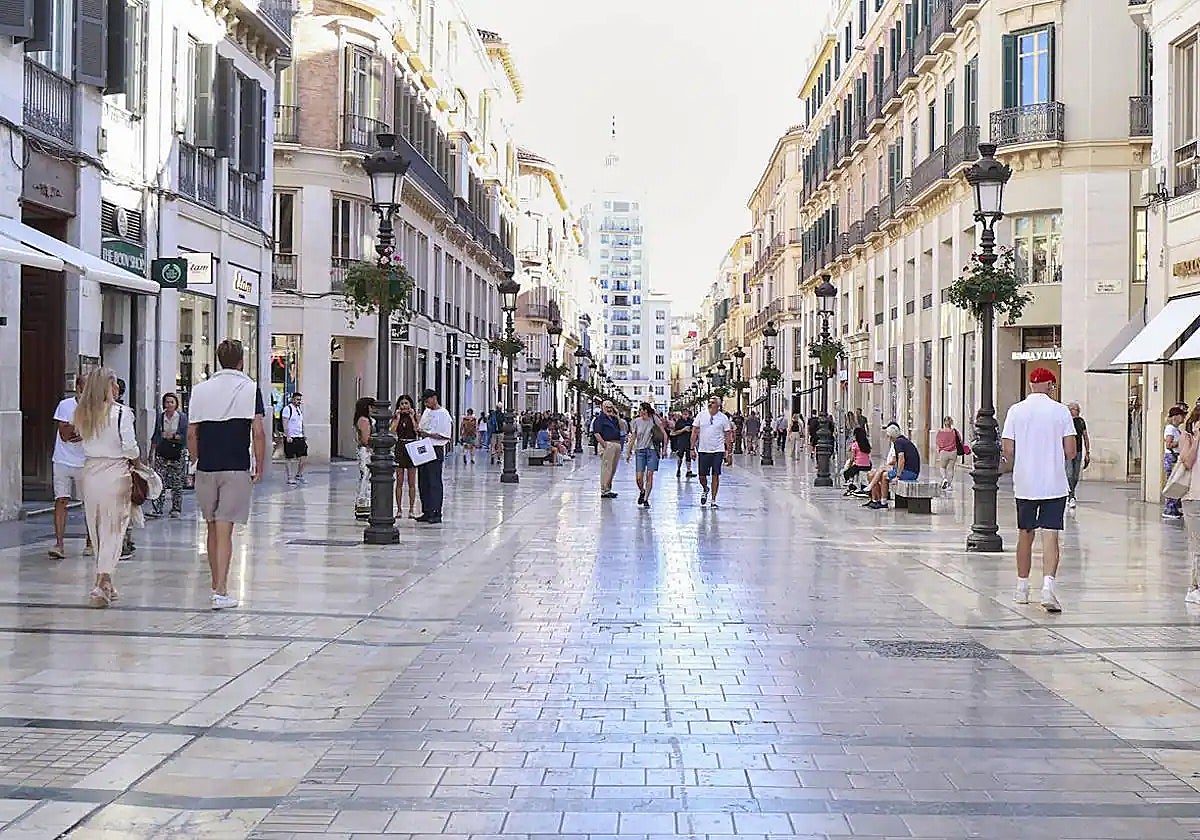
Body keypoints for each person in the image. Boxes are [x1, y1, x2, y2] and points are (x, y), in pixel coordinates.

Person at [187, 340, 266, 610]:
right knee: (225, 528)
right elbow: (257, 431)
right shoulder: (250, 389)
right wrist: (260, 464)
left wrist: (195, 461)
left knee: (210, 525)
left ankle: (215, 583)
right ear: (241, 360)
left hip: (206, 466)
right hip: (235, 466)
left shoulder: (200, 390)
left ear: (219, 359)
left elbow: (191, 433)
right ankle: (221, 588)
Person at [1001, 367, 1076, 612]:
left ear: (1031, 385)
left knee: (1025, 533)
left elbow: (1008, 448)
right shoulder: (1061, 411)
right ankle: (1047, 588)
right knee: (1051, 535)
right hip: (1053, 483)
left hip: (1025, 483)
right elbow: (1071, 451)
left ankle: (1022, 588)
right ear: (1051, 385)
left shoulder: (1015, 410)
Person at [75, 369, 140, 607]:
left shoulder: (83, 413)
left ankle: (105, 581)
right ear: (109, 386)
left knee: (96, 527)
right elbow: (131, 447)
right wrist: (138, 462)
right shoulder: (121, 413)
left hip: (91, 472)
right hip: (116, 472)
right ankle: (101, 584)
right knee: (114, 529)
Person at [50, 375, 91, 559]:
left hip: (84, 461)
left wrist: (78, 430)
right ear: (78, 388)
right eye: (83, 388)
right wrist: (81, 430)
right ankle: (59, 544)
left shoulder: (95, 408)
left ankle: (90, 542)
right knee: (61, 500)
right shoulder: (65, 405)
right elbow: (66, 433)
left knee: (88, 503)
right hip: (62, 459)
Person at [416, 388, 452, 524]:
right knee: (423, 481)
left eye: (427, 400)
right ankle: (427, 510)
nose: (426, 404)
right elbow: (422, 427)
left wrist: (428, 434)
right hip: (424, 447)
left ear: (434, 398)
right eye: (424, 401)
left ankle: (436, 511)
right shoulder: (427, 412)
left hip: (435, 448)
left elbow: (445, 435)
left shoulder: (443, 414)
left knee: (434, 481)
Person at [149, 392, 188, 518]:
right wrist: (151, 452)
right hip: (162, 451)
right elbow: (155, 435)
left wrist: (173, 436)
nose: (169, 404)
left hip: (177, 451)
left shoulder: (182, 418)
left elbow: (185, 436)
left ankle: (176, 508)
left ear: (176, 404)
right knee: (160, 480)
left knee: (177, 482)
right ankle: (158, 508)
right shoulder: (161, 417)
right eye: (167, 402)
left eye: (172, 402)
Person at [865, 423, 920, 510]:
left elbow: (901, 459)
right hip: (911, 471)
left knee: (884, 475)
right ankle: (880, 499)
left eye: (888, 436)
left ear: (891, 436)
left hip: (909, 473)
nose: (888, 439)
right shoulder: (903, 440)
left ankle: (882, 501)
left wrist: (897, 476)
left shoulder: (898, 442)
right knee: (883, 472)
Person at [691, 396, 734, 508]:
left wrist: (729, 453)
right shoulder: (701, 415)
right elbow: (694, 431)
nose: (710, 404)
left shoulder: (723, 418)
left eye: (713, 402)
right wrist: (692, 448)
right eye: (709, 402)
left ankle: (713, 500)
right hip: (703, 449)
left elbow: (728, 435)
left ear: (718, 406)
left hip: (718, 450)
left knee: (716, 474)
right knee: (702, 476)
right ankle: (705, 488)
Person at [1176, 403, 1200, 604]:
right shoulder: (1187, 437)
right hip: (1193, 498)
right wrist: (1197, 438)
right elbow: (1187, 461)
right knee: (1198, 544)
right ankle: (1194, 588)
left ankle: (1194, 586)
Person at [627, 403, 665, 507]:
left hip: (652, 451)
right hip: (640, 451)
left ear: (648, 410)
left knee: (649, 475)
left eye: (643, 409)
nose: (642, 412)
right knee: (639, 478)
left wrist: (664, 449)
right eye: (640, 410)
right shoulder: (636, 422)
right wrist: (628, 451)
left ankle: (646, 499)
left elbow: (664, 433)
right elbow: (633, 437)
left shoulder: (654, 419)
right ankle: (642, 491)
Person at [390, 395, 420, 519]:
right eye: (401, 404)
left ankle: (412, 509)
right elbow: (392, 430)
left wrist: (413, 417)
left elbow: (417, 430)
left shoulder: (415, 416)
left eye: (406, 403)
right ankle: (399, 509)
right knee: (399, 481)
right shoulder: (397, 417)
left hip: (412, 446)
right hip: (400, 446)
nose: (404, 406)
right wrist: (397, 417)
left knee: (412, 481)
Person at [593, 400, 623, 499]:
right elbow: (596, 433)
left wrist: (617, 415)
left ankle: (608, 489)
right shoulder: (600, 419)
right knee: (607, 468)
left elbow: (622, 428)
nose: (609, 409)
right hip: (608, 443)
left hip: (616, 443)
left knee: (613, 469)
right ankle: (604, 490)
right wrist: (604, 445)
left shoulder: (614, 419)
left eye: (611, 407)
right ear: (603, 407)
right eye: (607, 407)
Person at [1065, 401, 1090, 509]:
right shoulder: (1066, 421)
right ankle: (1071, 496)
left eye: (1075, 409)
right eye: (1072, 409)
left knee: (1075, 475)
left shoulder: (1080, 422)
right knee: (1069, 473)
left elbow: (1085, 436)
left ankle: (1070, 493)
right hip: (1068, 451)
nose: (1074, 411)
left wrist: (1087, 452)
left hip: (1078, 451)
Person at [280, 392, 308, 485]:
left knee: (304, 456)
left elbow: (301, 423)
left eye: (300, 400)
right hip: (291, 437)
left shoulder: (299, 410)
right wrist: (287, 435)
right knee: (289, 458)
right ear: (293, 399)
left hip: (299, 436)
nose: (299, 401)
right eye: (297, 399)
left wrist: (304, 433)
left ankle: (299, 474)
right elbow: (285, 422)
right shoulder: (287, 409)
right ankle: (289, 477)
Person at [353, 397, 374, 520]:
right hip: (366, 452)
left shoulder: (362, 419)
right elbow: (366, 439)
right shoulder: (364, 420)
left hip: (364, 451)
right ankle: (363, 504)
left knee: (365, 477)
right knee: (366, 477)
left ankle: (363, 504)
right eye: (371, 406)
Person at [1165, 405, 1186, 520]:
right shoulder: (1170, 429)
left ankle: (1174, 508)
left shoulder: (1176, 429)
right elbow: (1168, 444)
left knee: (1175, 482)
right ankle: (1169, 508)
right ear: (1176, 417)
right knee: (1172, 482)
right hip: (1171, 457)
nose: (1183, 418)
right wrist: (1181, 442)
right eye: (1182, 415)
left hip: (1175, 456)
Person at [843, 425, 872, 493]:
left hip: (859, 466)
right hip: (867, 466)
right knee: (853, 471)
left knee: (846, 473)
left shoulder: (855, 444)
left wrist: (849, 465)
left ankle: (851, 485)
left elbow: (852, 458)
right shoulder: (866, 443)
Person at [934, 416, 960, 491]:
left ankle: (944, 479)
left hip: (944, 452)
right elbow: (960, 440)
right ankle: (949, 485)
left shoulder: (940, 432)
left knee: (942, 467)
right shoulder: (954, 431)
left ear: (944, 422)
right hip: (953, 452)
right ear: (951, 422)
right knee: (951, 469)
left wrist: (939, 450)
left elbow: (938, 442)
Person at [670, 409, 695, 477]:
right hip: (681, 441)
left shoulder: (691, 421)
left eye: (687, 414)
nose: (685, 415)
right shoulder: (679, 422)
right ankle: (678, 469)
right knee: (680, 456)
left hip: (689, 441)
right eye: (684, 414)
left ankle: (689, 471)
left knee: (688, 457)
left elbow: (695, 431)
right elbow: (674, 432)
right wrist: (684, 429)